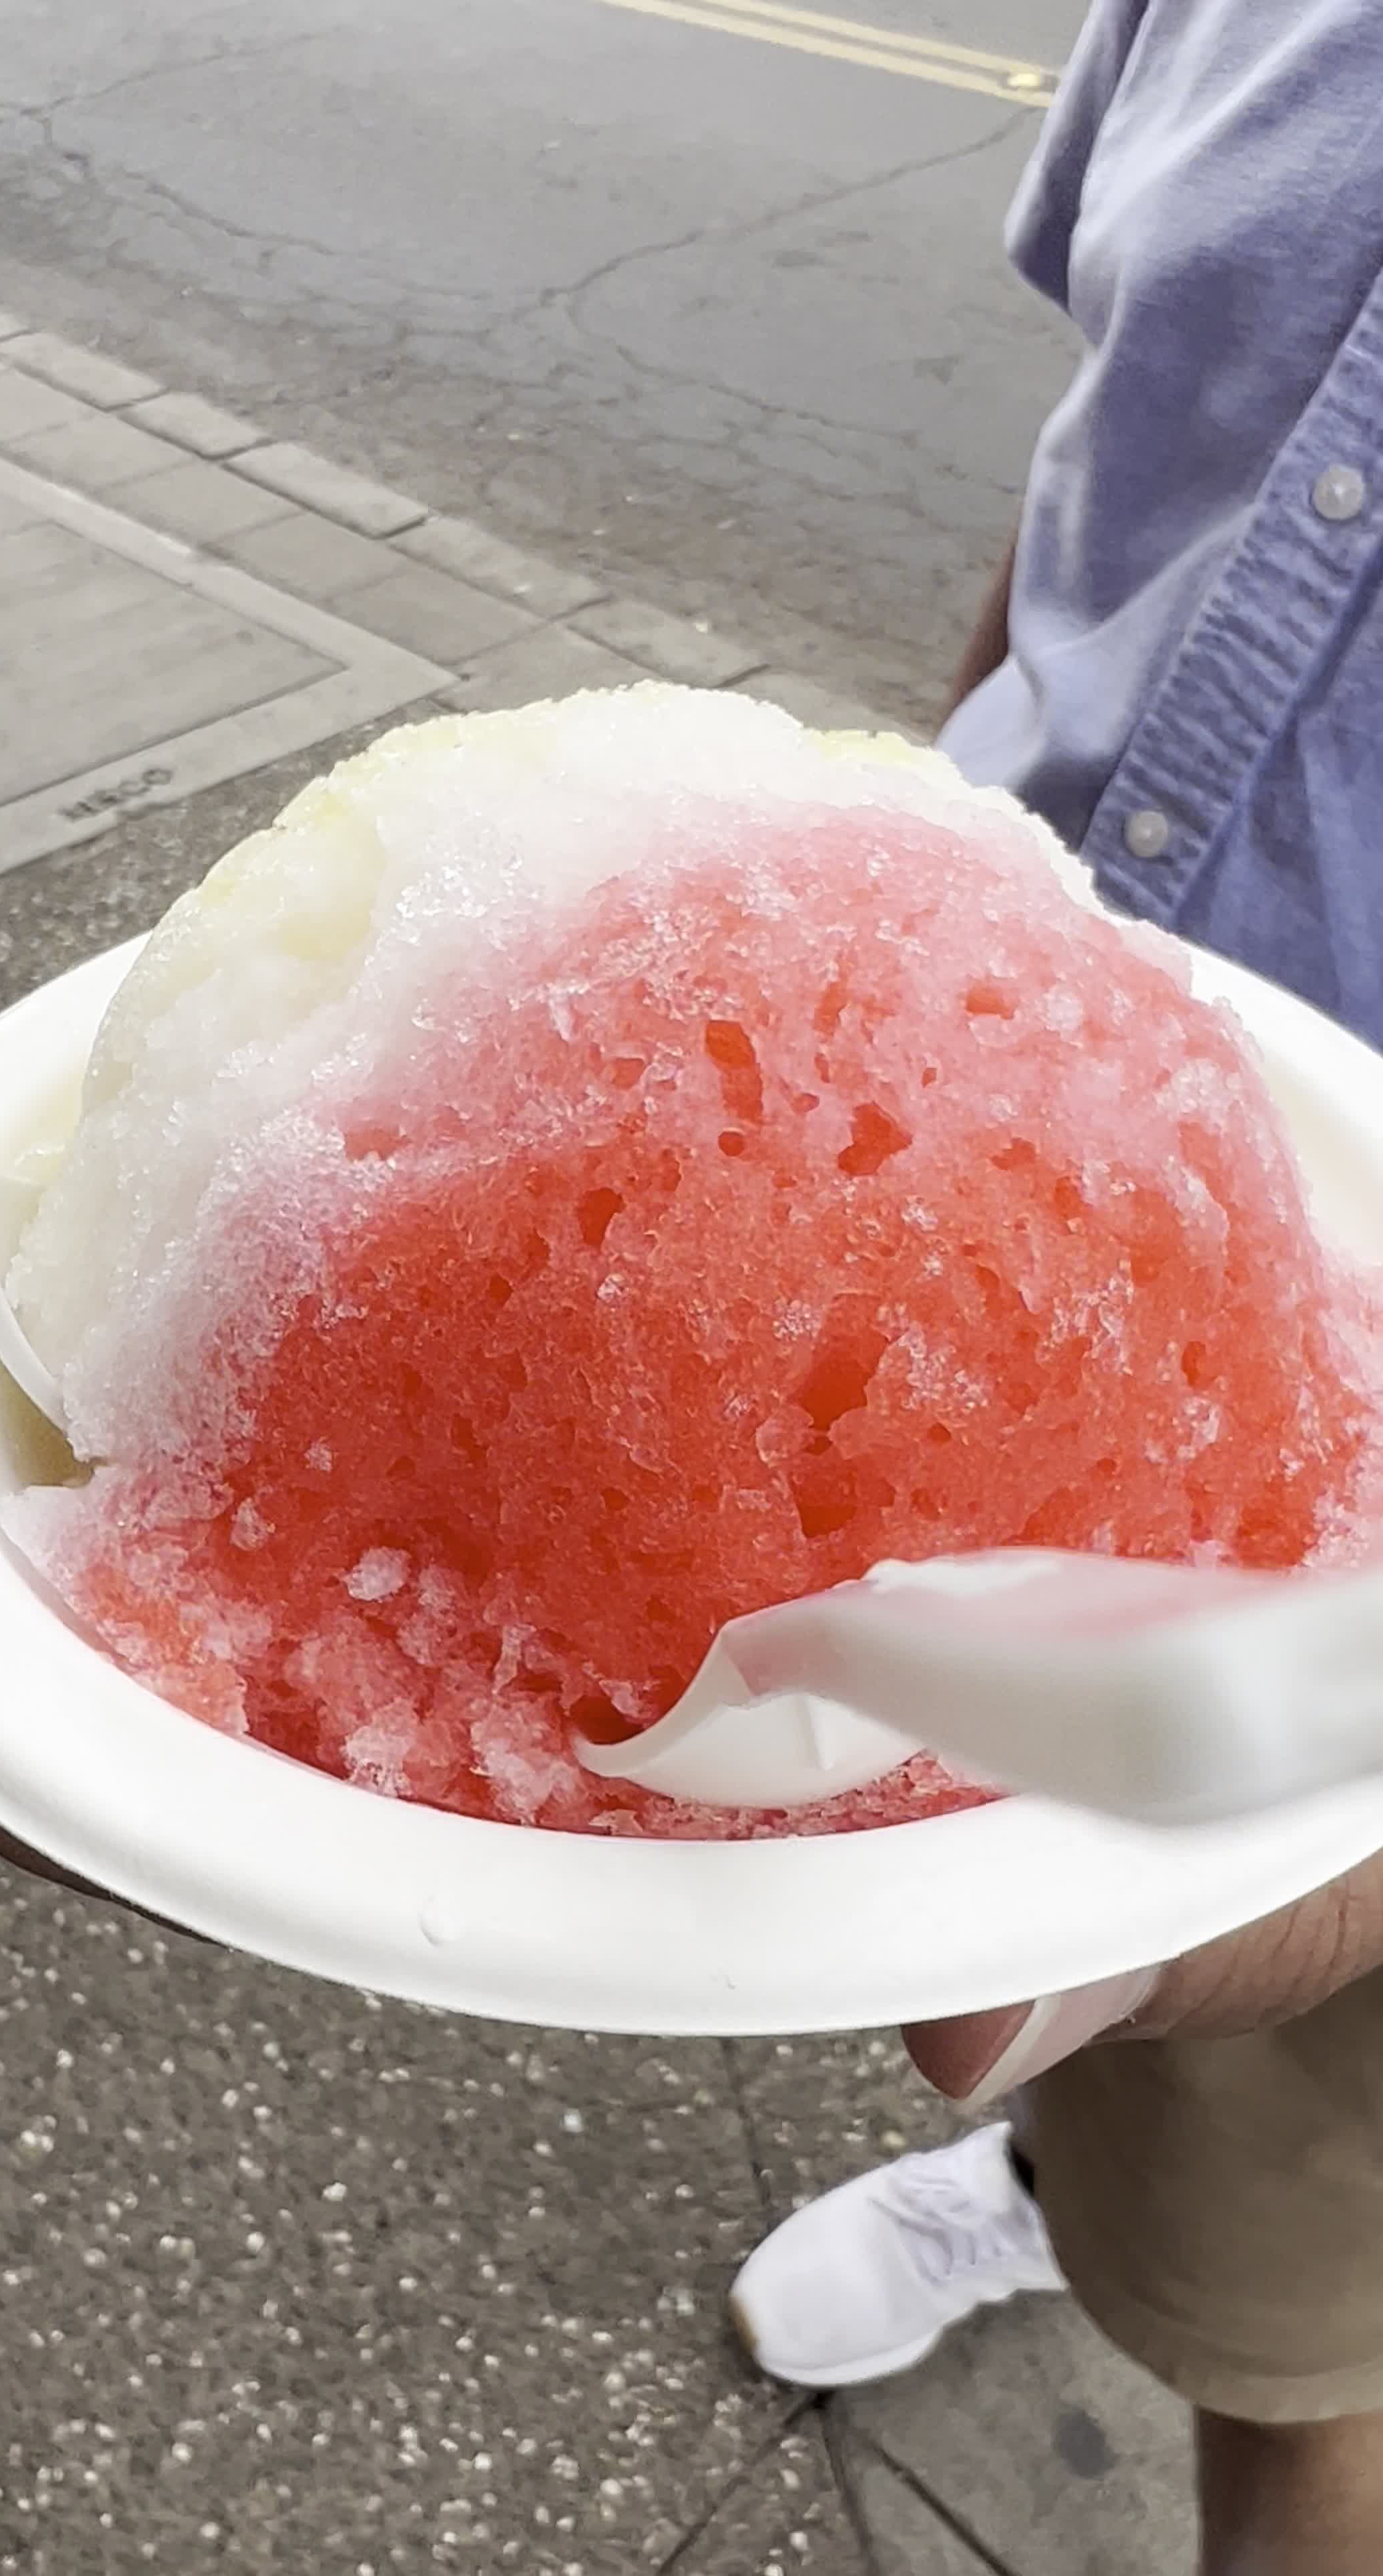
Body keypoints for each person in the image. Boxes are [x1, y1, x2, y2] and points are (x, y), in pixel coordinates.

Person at [730, 5, 1383, 2569]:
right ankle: (1050, 2155)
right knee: (942, 1835)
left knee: (1303, 2337)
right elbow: (1110, 481)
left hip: (1351, 1467)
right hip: (981, 1261)